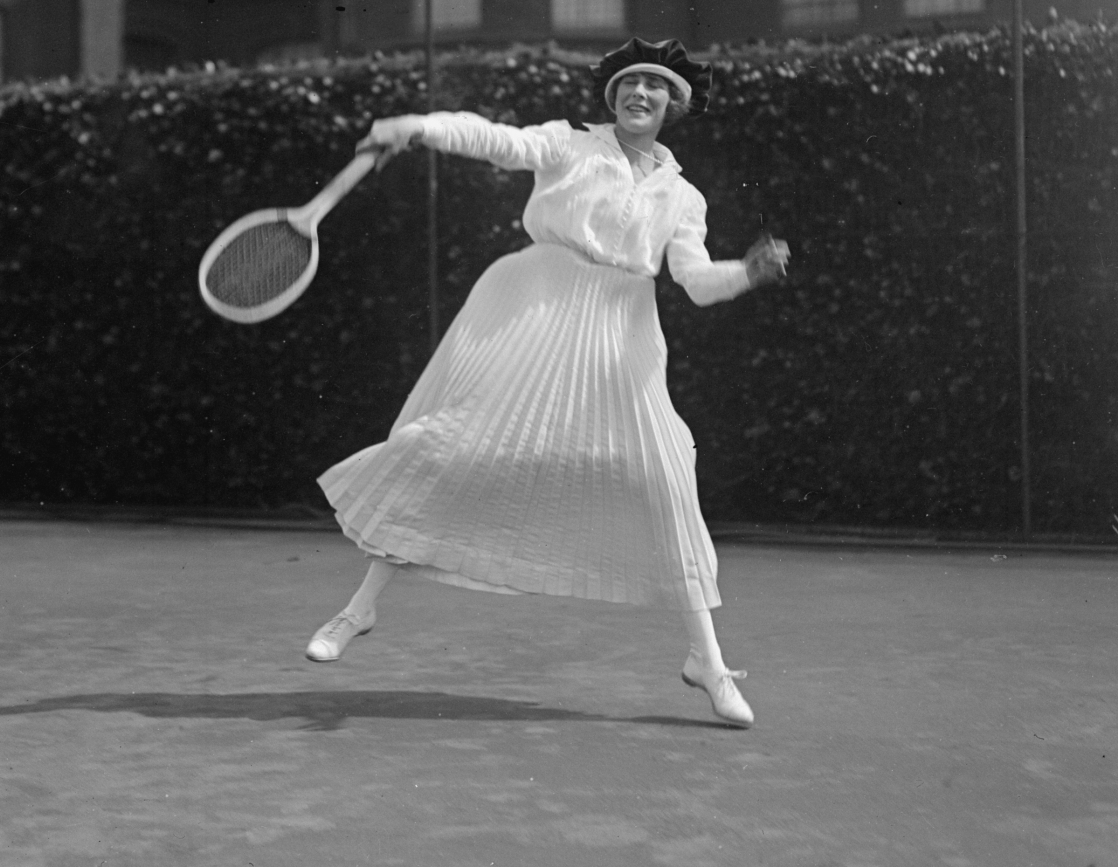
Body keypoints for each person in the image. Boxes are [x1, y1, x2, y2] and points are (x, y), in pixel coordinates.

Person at [304, 38, 789, 728]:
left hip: (620, 334)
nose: (640, 94)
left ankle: (706, 663)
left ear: (673, 105)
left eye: (655, 87)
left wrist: (745, 272)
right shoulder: (568, 144)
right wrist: (417, 127)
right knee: (447, 448)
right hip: (530, 305)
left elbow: (696, 281)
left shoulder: (684, 196)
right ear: (613, 97)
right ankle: (359, 609)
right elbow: (493, 138)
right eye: (629, 84)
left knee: (665, 478)